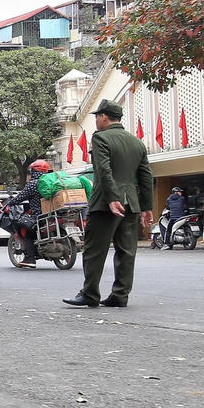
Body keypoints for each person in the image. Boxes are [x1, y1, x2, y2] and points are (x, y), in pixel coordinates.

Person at [64, 100, 153, 308]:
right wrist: (147, 206)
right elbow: (146, 176)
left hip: (106, 203)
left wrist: (112, 198)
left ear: (104, 117)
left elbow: (103, 171)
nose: (96, 120)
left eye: (97, 116)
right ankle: (121, 294)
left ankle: (90, 293)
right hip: (131, 203)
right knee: (126, 251)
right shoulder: (136, 142)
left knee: (95, 250)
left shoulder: (101, 138)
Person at [2, 159, 53, 269]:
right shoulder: (51, 182)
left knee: (25, 230)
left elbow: (20, 198)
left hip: (39, 216)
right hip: (53, 214)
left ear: (34, 172)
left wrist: (9, 204)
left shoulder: (33, 184)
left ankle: (30, 259)